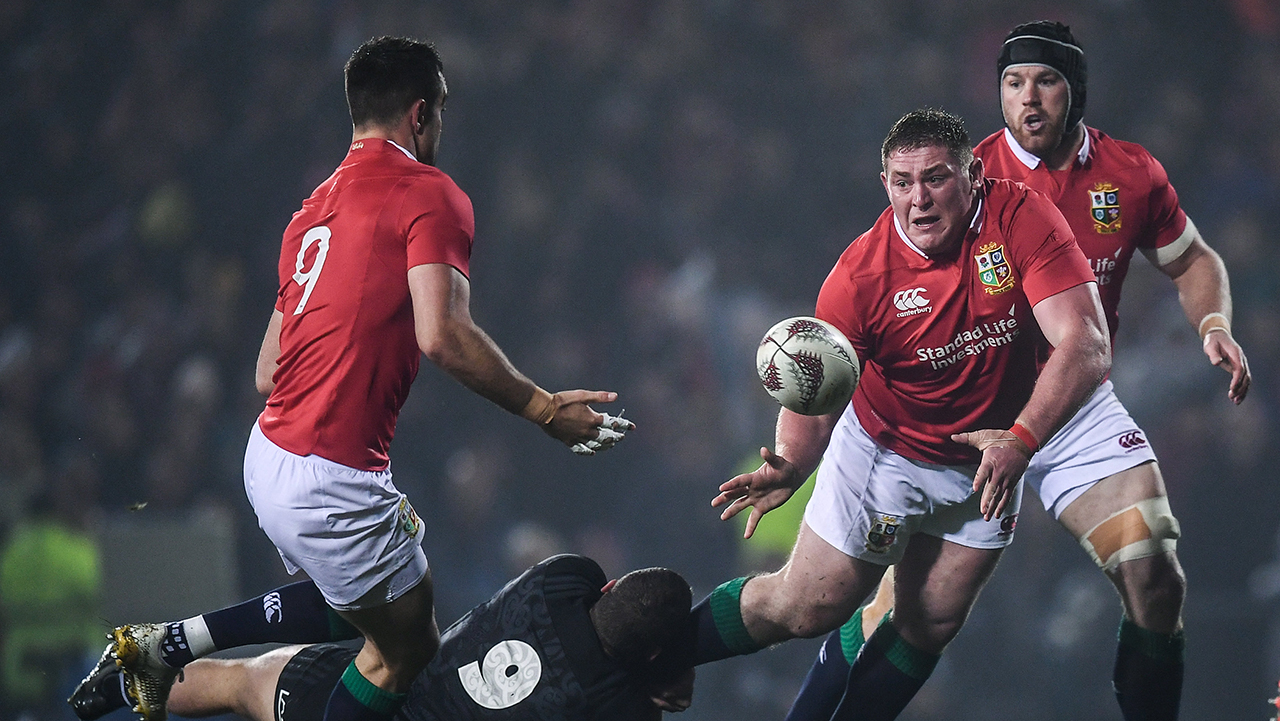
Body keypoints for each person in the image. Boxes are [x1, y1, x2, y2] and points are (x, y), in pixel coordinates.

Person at [99, 36, 634, 721]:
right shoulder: (429, 193)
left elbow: (268, 370)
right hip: (329, 475)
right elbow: (442, 335)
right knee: (408, 653)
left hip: (269, 454)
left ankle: (168, 643)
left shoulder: (309, 213)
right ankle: (177, 648)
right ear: (419, 114)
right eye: (440, 109)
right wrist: (542, 407)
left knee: (359, 604)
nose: (441, 124)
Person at [785, 21, 1252, 721]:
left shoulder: (1130, 174)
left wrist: (1213, 325)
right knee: (890, 609)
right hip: (966, 413)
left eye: (1046, 81)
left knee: (1156, 577)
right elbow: (891, 281)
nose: (1028, 100)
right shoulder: (962, 178)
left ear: (1076, 91)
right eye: (1012, 83)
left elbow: (1191, 259)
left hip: (1072, 406)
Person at [671, 107, 1110, 721]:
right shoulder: (860, 277)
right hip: (889, 452)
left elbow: (1086, 344)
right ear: (886, 187)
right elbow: (814, 380)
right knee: (809, 607)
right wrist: (793, 462)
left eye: (934, 178)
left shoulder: (1022, 219)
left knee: (929, 623)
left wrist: (1021, 439)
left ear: (973, 174)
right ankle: (660, 657)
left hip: (994, 455)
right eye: (903, 182)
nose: (919, 199)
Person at [69, 555, 695, 721]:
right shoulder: (617, 705)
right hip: (373, 696)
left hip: (377, 685)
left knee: (240, 681)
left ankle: (132, 678)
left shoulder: (562, 581)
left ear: (608, 590)